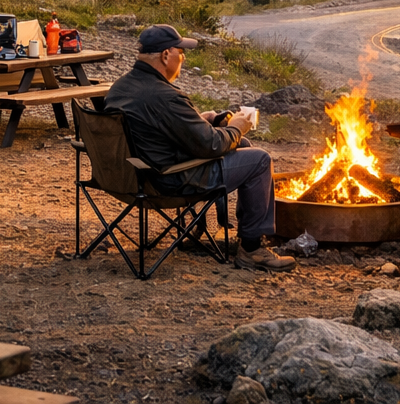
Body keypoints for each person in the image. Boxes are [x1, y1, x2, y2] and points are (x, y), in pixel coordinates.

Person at [103, 24, 295, 272]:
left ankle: (198, 229)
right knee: (259, 160)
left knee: (243, 147)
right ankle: (251, 249)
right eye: (181, 52)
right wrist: (237, 127)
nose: (183, 58)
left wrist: (198, 120)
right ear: (165, 55)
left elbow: (155, 129)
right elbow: (212, 145)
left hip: (129, 176)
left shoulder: (120, 88)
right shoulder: (165, 96)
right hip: (169, 181)